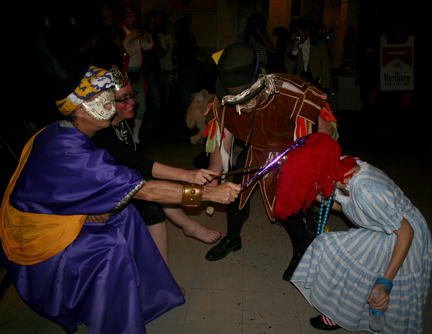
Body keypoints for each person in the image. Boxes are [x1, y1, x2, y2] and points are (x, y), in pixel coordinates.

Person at [0, 36, 241, 333]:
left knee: (127, 214)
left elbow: (53, 192)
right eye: (102, 97)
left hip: (52, 218)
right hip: (35, 245)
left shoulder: (63, 131)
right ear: (78, 109)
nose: (112, 102)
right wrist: (208, 193)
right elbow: (147, 188)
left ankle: (148, 295)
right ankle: (114, 322)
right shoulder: (70, 150)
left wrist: (85, 210)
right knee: (109, 245)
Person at [203, 44, 338, 283]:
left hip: (298, 155)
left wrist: (303, 173)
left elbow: (324, 138)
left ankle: (302, 253)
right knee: (233, 195)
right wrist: (213, 178)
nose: (239, 109)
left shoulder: (298, 96)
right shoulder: (223, 103)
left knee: (292, 208)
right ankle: (233, 239)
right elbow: (221, 147)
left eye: (245, 100)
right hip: (256, 149)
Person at [274, 132, 432, 333]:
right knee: (331, 248)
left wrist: (386, 283)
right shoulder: (340, 167)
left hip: (403, 237)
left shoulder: (365, 189)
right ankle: (342, 312)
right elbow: (349, 207)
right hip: (384, 230)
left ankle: (352, 311)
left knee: (365, 272)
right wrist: (317, 196)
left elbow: (406, 232)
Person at [92, 66, 222, 270]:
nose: (131, 102)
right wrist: (190, 177)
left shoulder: (121, 122)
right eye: (123, 99)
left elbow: (133, 161)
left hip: (121, 181)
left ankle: (188, 229)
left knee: (162, 191)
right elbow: (134, 162)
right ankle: (189, 229)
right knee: (156, 201)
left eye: (132, 96)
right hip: (101, 193)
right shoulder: (101, 131)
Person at [117, 4, 149, 144]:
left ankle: (135, 137)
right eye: (130, 16)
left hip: (139, 75)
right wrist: (129, 38)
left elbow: (149, 48)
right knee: (123, 107)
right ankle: (123, 137)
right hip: (125, 75)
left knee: (141, 106)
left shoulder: (138, 33)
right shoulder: (119, 33)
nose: (133, 19)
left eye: (134, 16)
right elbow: (119, 50)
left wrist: (147, 38)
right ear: (123, 19)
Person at [285, 18, 331, 95]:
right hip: (297, 85)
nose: (297, 36)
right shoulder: (289, 45)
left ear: (306, 32)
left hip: (315, 84)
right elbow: (288, 67)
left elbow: (326, 69)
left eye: (299, 33)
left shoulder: (320, 45)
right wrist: (295, 48)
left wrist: (325, 90)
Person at [141, 10, 165, 132]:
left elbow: (159, 52)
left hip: (154, 69)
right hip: (149, 70)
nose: (160, 22)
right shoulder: (144, 31)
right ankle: (155, 124)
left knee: (152, 98)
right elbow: (152, 51)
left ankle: (150, 124)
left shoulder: (154, 33)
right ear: (152, 18)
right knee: (154, 99)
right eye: (159, 18)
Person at [174, 18, 199, 119]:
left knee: (188, 96)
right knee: (184, 96)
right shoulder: (178, 41)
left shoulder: (189, 39)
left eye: (180, 29)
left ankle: (189, 118)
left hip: (189, 71)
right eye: (177, 30)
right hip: (182, 71)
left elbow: (191, 55)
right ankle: (186, 117)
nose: (179, 32)